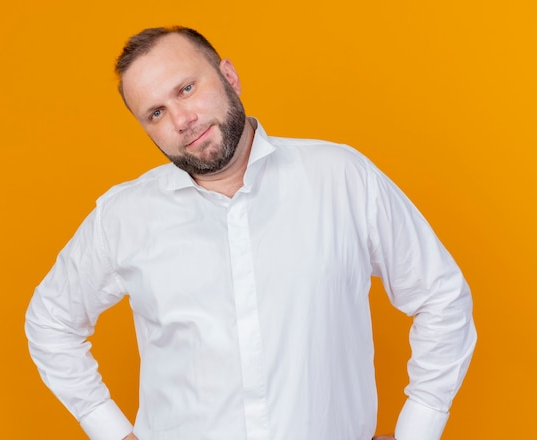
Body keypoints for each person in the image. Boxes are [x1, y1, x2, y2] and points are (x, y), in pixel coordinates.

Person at [25, 26, 476, 440]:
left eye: (187, 88)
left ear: (229, 76)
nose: (182, 119)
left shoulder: (341, 178)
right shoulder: (124, 216)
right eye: (157, 112)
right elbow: (50, 321)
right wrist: (110, 430)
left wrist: (418, 428)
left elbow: (441, 295)